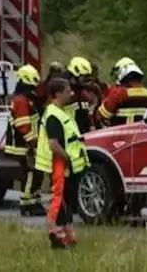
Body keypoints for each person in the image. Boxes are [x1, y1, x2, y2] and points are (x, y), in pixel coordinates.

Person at [36, 77, 89, 249]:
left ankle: (66, 232)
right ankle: (54, 230)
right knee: (58, 197)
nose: (71, 94)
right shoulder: (53, 115)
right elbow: (53, 144)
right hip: (59, 163)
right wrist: (67, 157)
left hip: (66, 164)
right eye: (67, 91)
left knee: (66, 198)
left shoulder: (61, 111)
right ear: (58, 94)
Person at [7, 64, 46, 216]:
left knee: (37, 173)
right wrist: (33, 143)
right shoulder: (21, 101)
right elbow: (23, 126)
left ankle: (34, 202)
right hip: (22, 145)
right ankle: (26, 205)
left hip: (27, 144)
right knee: (30, 173)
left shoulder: (26, 99)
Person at [96, 63, 147, 127]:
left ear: (124, 77)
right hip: (140, 134)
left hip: (120, 133)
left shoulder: (120, 93)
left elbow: (103, 114)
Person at [64, 57, 101, 134]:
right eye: (84, 77)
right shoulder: (63, 92)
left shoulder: (84, 92)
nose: (87, 80)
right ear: (75, 74)